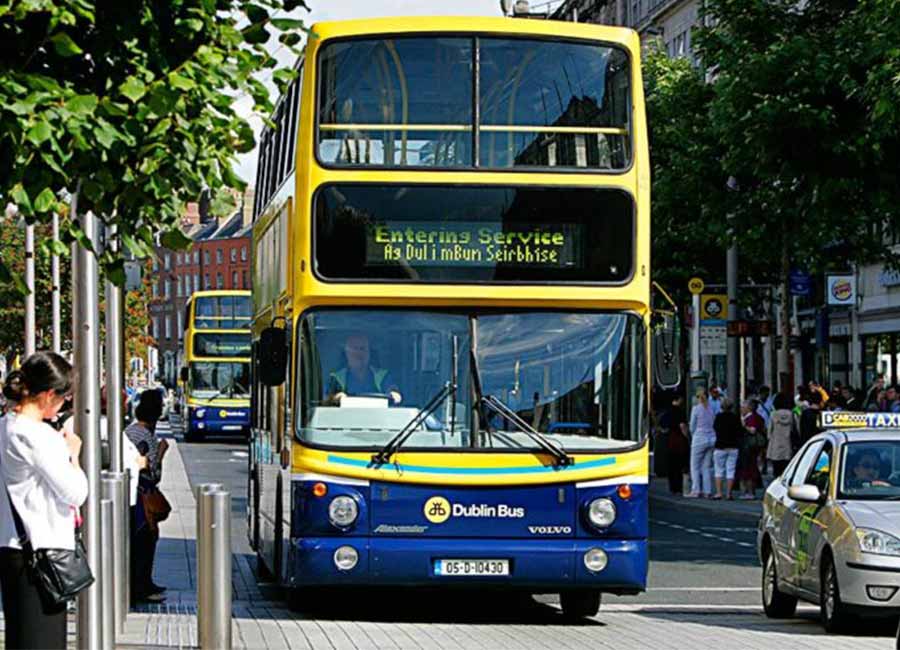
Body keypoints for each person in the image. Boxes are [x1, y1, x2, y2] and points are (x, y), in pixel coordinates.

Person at [0, 352, 88, 649]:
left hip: (13, 546)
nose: (65, 404)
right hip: (41, 554)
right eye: (64, 397)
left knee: (21, 637)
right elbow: (76, 492)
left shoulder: (6, 426)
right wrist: (73, 454)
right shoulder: (38, 436)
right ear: (50, 395)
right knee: (43, 640)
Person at [125, 388, 168, 603]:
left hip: (136, 494)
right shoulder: (145, 436)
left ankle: (144, 583)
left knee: (143, 540)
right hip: (141, 496)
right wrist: (160, 452)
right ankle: (141, 586)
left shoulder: (133, 431)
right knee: (144, 541)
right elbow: (152, 471)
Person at [327, 333, 402, 405]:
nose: (359, 353)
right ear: (347, 353)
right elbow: (326, 400)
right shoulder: (336, 378)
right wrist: (335, 398)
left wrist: (394, 395)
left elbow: (393, 391)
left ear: (369, 353)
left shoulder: (382, 376)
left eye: (363, 348)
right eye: (355, 348)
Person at [712, 399, 743, 500]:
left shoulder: (718, 417)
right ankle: (729, 493)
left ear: (721, 407)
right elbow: (739, 431)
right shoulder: (735, 417)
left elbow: (715, 428)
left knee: (718, 470)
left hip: (720, 446)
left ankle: (719, 493)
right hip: (733, 446)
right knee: (731, 470)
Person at [687, 388, 716, 498]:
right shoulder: (712, 408)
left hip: (699, 438)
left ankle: (696, 490)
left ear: (697, 397)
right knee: (706, 466)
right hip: (712, 438)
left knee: (694, 466)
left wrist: (694, 434)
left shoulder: (696, 409)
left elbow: (692, 426)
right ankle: (707, 491)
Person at [737, 399, 765, 499]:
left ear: (748, 408)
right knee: (751, 468)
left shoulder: (751, 418)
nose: (741, 409)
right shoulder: (759, 417)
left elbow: (752, 430)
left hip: (749, 446)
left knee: (749, 469)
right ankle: (749, 491)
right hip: (754, 446)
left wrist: (744, 426)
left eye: (742, 407)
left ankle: (749, 492)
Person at [665, 394, 689, 495]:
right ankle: (679, 487)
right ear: (679, 399)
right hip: (679, 441)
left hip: (671, 440)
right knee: (679, 465)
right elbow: (682, 426)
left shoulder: (668, 411)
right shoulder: (680, 411)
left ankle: (672, 487)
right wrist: (687, 437)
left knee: (672, 465)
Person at [767, 393, 796, 476]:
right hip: (788, 445)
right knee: (787, 470)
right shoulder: (791, 414)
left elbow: (769, 432)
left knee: (776, 470)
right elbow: (794, 429)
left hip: (775, 445)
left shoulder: (773, 414)